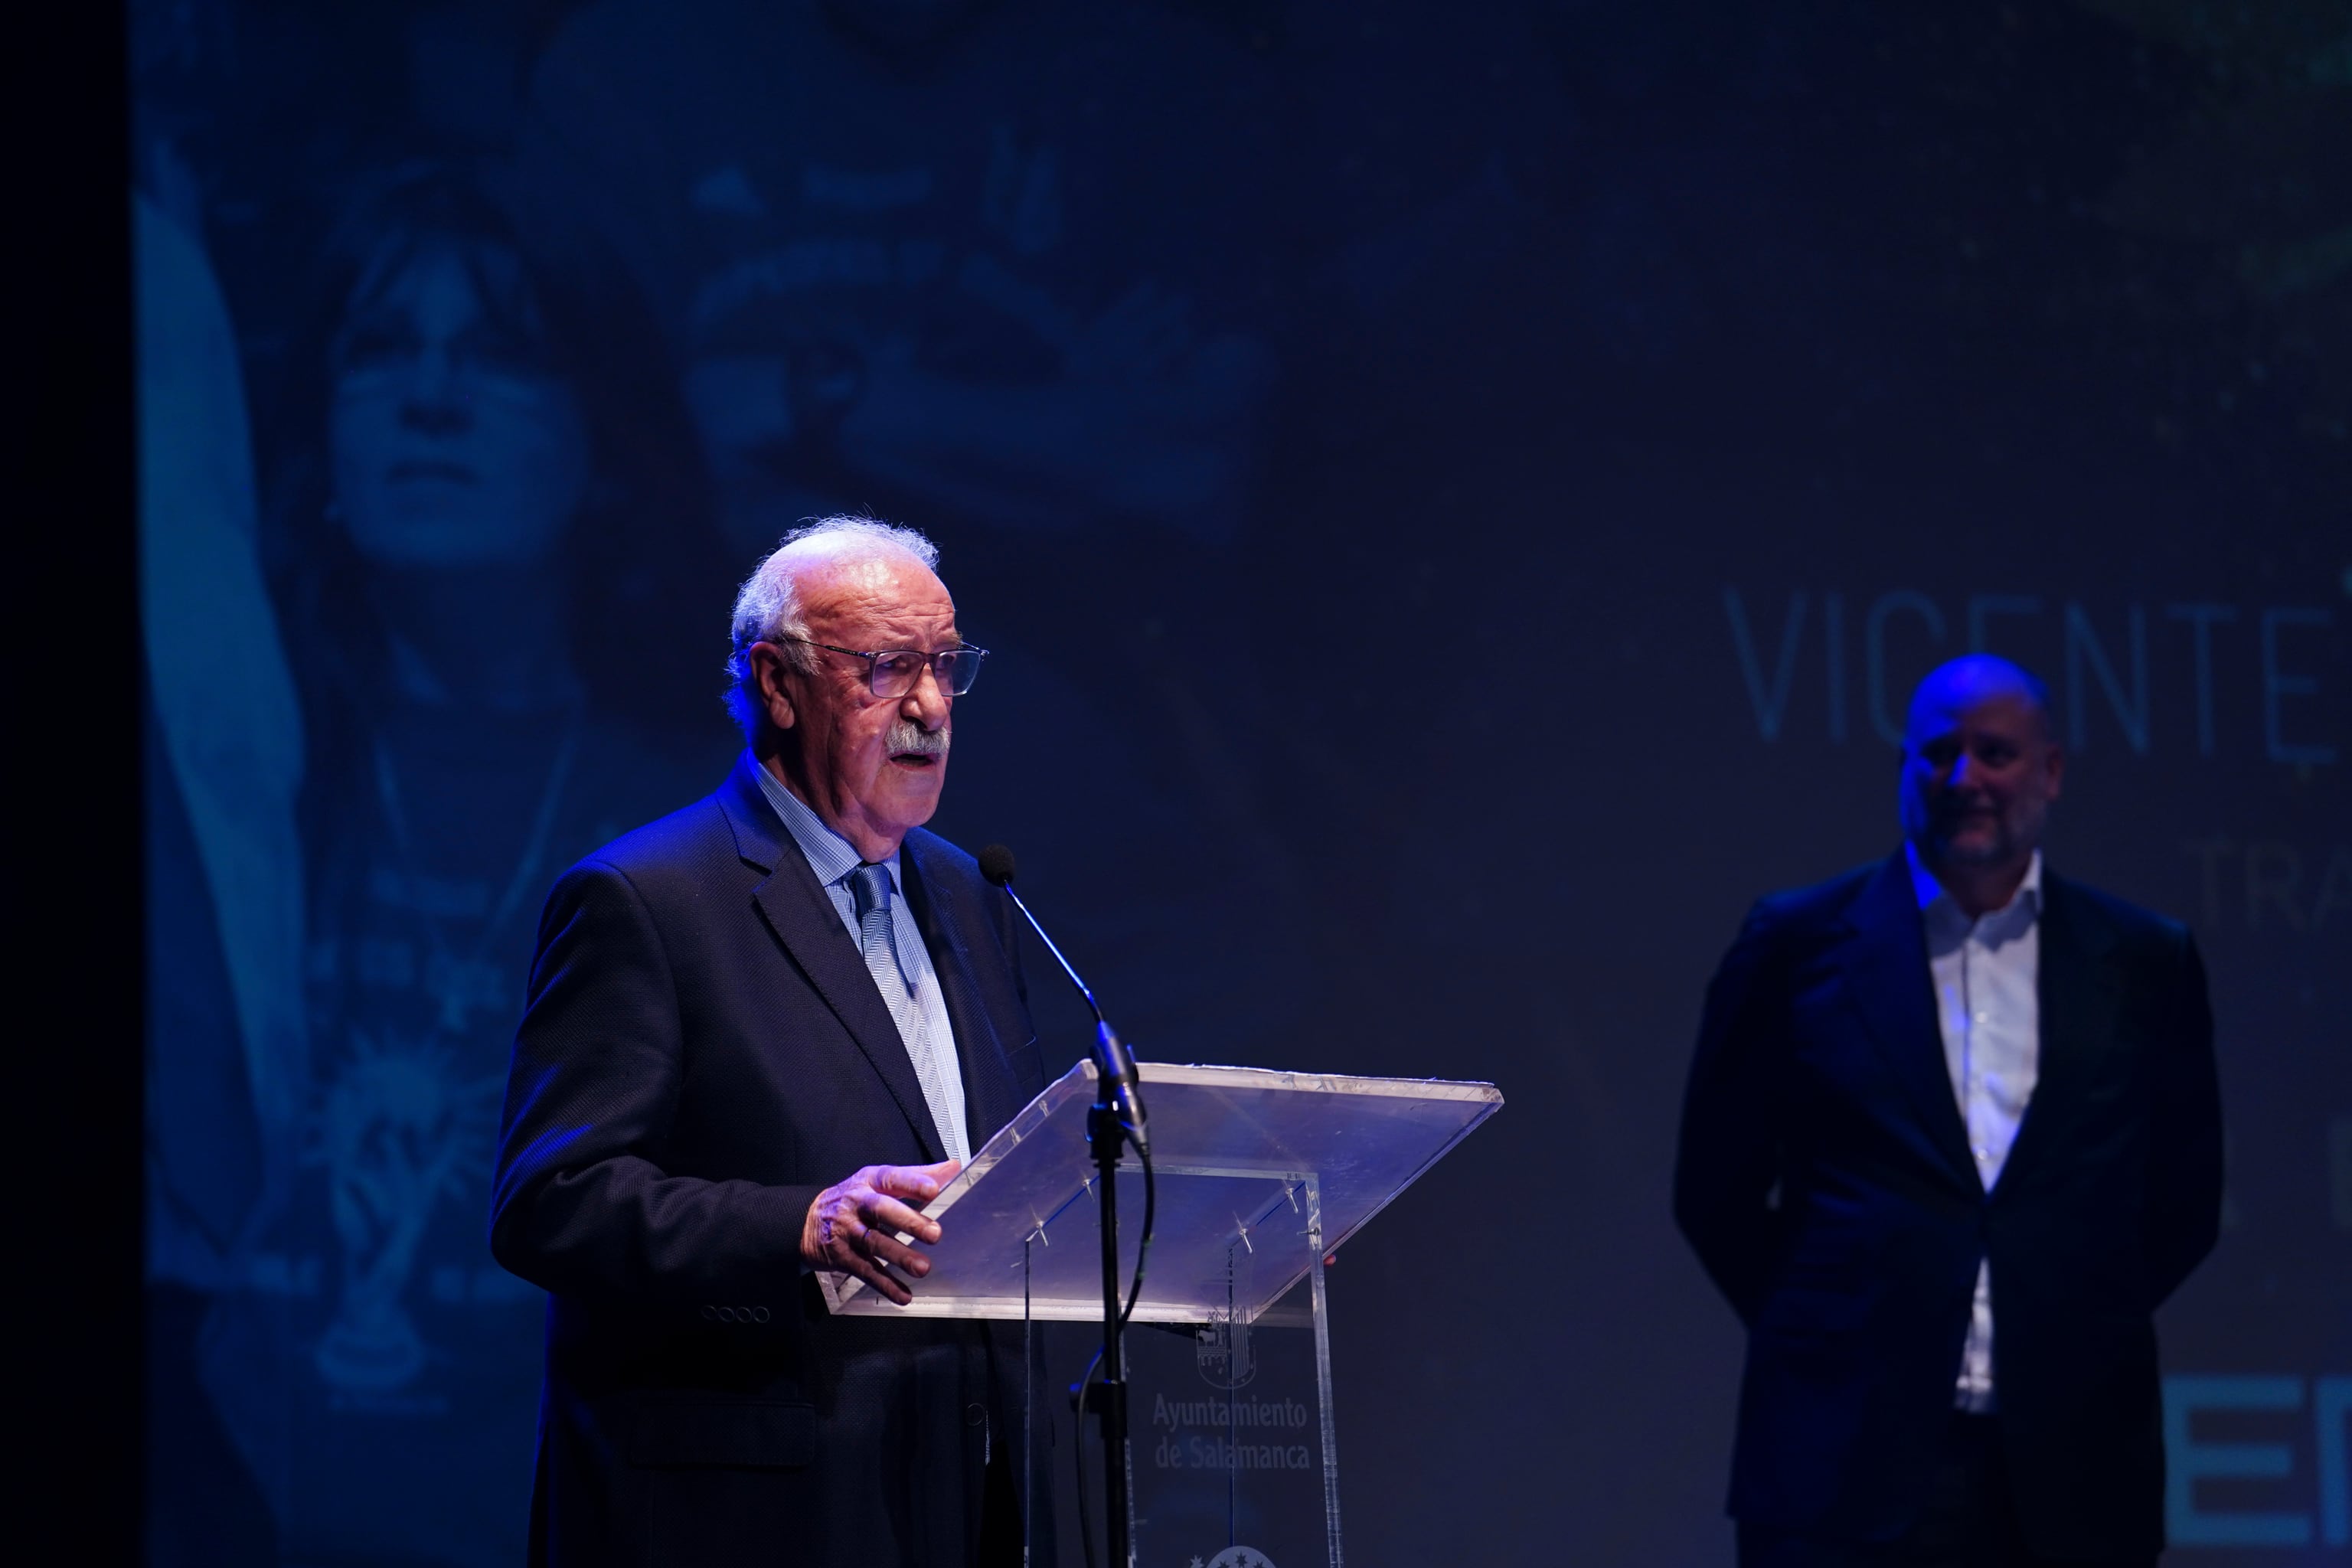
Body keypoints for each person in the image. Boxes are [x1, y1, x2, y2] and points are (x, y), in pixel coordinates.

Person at [195, 161, 734, 1568]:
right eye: (380, 349)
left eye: (497, 353)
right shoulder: (224, 759)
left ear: (603, 441)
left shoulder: (700, 813)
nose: (428, 398)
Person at [488, 517, 1048, 1567]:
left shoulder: (974, 895)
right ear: (778, 684)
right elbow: (550, 1203)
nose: (930, 706)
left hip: (968, 1496)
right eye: (887, 668)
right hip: (750, 1516)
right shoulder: (647, 901)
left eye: (944, 665)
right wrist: (803, 1224)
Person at [1673, 654, 2223, 1568]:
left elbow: (2184, 1202)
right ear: (1903, 770)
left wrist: (2064, 1306)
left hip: (2073, 1466)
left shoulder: (2143, 960)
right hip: (1839, 1464)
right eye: (1939, 753)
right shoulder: (1795, 942)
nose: (1964, 778)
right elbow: (1714, 1188)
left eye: (1995, 753)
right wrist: (1837, 1323)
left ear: (2049, 770)